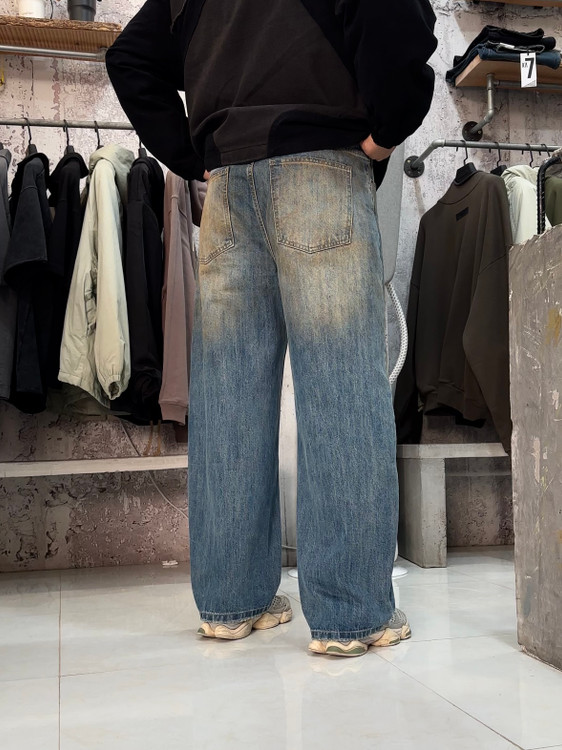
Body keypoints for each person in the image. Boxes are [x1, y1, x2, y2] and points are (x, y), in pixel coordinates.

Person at [106, 0, 437, 658]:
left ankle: (232, 602)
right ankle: (352, 613)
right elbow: (396, 17)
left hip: (229, 188)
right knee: (342, 390)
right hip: (322, 167)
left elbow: (130, 58)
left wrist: (191, 154)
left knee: (228, 398)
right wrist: (384, 133)